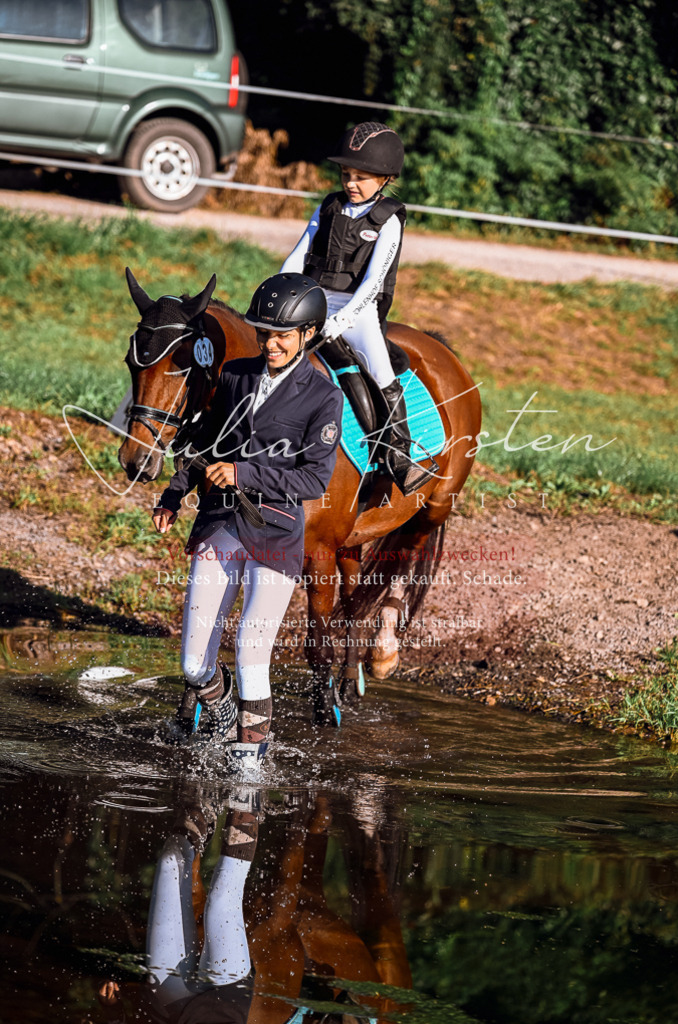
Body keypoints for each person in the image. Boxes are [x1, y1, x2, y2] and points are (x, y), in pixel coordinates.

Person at [152, 273, 343, 771]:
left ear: (308, 335)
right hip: (220, 522)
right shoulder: (234, 375)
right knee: (194, 664)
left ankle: (249, 758)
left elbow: (314, 481)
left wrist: (243, 472)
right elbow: (202, 445)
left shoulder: (324, 397)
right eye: (264, 333)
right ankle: (217, 711)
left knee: (251, 647)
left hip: (276, 535)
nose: (271, 343)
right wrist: (174, 494)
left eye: (282, 335)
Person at [280, 120, 433, 495]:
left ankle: (399, 455)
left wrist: (342, 319)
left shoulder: (389, 219)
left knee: (381, 372)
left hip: (358, 310)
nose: (350, 183)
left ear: (384, 179)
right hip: (314, 298)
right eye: (346, 174)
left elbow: (373, 282)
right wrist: (281, 290)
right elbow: (299, 253)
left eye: (361, 177)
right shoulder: (329, 206)